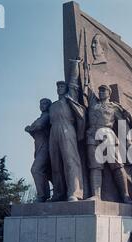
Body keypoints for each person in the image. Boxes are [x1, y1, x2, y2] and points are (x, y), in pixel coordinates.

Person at [85, 81, 132, 204]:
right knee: (95, 166)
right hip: (92, 135)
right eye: (100, 90)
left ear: (109, 93)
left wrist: (129, 140)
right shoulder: (93, 102)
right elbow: (87, 84)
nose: (101, 92)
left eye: (103, 90)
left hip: (108, 134)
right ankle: (96, 195)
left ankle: (125, 196)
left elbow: (122, 124)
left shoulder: (114, 107)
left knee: (117, 166)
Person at [49, 59, 86, 202]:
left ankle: (75, 193)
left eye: (61, 86)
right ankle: (58, 193)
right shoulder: (53, 105)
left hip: (67, 129)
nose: (59, 88)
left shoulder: (69, 98)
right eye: (58, 87)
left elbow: (73, 83)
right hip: (54, 132)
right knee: (56, 164)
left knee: (71, 162)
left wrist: (75, 64)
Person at [25, 98, 52, 202]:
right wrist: (31, 129)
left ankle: (42, 195)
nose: (42, 105)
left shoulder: (47, 116)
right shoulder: (41, 117)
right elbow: (35, 129)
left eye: (45, 103)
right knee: (47, 172)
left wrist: (30, 128)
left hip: (46, 147)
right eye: (41, 103)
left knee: (36, 169)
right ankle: (48, 194)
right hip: (39, 147)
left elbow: (39, 125)